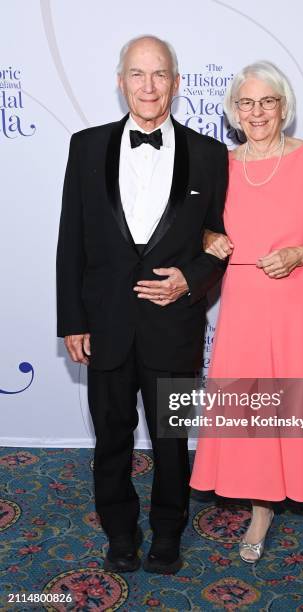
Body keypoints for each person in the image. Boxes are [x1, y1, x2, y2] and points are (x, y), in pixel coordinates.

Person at [56, 35, 228, 575]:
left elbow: (221, 242)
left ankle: (168, 533)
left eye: (159, 75)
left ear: (177, 84)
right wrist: (72, 320)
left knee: (171, 441)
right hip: (104, 323)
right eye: (137, 74)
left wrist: (189, 280)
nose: (148, 86)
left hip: (173, 325)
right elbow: (71, 240)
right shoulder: (85, 146)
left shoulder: (209, 154)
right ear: (120, 80)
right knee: (110, 437)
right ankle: (120, 534)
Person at [190, 60, 303, 575]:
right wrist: (206, 238)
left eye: (268, 101)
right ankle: (261, 513)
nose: (257, 111)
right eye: (247, 102)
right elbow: (196, 230)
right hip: (245, 308)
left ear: (284, 107)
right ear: (233, 111)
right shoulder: (220, 165)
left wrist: (300, 254)